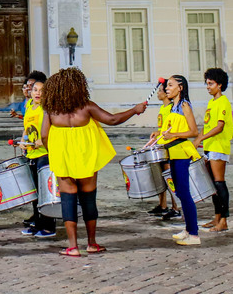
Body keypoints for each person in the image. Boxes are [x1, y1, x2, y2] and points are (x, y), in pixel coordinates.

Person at [41, 66, 147, 257]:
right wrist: (134, 110)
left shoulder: (50, 110)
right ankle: (91, 243)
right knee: (89, 199)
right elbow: (112, 120)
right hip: (86, 157)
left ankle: (73, 247)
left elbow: (44, 135)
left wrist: (54, 152)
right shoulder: (87, 107)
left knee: (68, 200)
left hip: (63, 158)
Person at [161, 75, 202, 246]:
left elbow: (193, 131)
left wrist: (174, 135)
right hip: (173, 152)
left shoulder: (185, 105)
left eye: (170, 85)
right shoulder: (173, 107)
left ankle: (194, 234)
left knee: (185, 193)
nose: (167, 88)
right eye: (167, 86)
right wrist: (159, 134)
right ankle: (188, 228)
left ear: (180, 87)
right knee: (179, 192)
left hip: (182, 153)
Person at [19, 77, 56, 238]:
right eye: (35, 90)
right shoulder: (29, 106)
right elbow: (27, 128)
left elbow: (52, 129)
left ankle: (49, 227)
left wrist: (41, 141)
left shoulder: (47, 108)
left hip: (44, 154)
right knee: (34, 192)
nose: (37, 93)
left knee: (44, 192)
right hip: (31, 154)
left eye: (41, 91)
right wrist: (23, 141)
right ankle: (37, 223)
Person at [198, 68, 233, 232]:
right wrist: (198, 139)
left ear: (219, 85)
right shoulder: (211, 103)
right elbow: (207, 126)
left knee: (219, 183)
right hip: (209, 146)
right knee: (212, 185)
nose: (208, 87)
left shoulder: (223, 102)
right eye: (207, 83)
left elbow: (219, 127)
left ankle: (224, 220)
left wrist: (200, 138)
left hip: (219, 146)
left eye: (211, 84)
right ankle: (217, 217)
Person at [148, 82, 176, 219]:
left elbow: (172, 129)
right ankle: (163, 205)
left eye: (160, 90)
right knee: (160, 177)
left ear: (166, 93)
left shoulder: (172, 108)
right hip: (160, 146)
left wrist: (161, 134)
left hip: (168, 147)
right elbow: (163, 128)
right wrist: (157, 134)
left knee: (169, 177)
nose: (158, 93)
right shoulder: (162, 108)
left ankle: (176, 207)